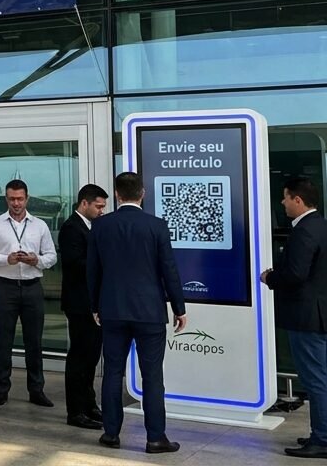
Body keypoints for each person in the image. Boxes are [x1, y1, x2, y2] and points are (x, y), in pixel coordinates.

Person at [87, 171, 186, 455]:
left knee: (112, 373)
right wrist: (179, 307)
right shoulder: (156, 225)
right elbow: (169, 269)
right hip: (149, 311)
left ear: (117, 194)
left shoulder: (101, 226)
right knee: (152, 376)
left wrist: (95, 306)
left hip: (113, 310)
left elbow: (92, 270)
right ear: (142, 193)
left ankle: (110, 434)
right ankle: (156, 438)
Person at [262, 176, 327, 459]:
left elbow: (296, 274)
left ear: (298, 200)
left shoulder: (303, 231)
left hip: (306, 316)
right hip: (325, 314)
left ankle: (322, 440)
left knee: (315, 379)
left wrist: (270, 277)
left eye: (285, 197)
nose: (282, 203)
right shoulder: (326, 228)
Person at [0, 178, 57, 408]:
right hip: (5, 286)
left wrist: (37, 261)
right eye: (12, 199)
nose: (16, 203)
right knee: (3, 341)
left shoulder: (40, 225)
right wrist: (6, 259)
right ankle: (1, 389)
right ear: (6, 199)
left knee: (34, 342)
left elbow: (52, 256)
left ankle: (36, 390)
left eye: (20, 199)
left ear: (27, 198)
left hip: (32, 287)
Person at [59, 183, 108, 429]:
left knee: (91, 357)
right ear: (84, 203)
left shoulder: (94, 226)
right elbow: (73, 263)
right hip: (79, 304)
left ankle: (90, 404)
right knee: (79, 357)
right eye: (98, 206)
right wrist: (101, 262)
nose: (101, 211)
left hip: (94, 303)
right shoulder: (71, 228)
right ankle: (75, 411)